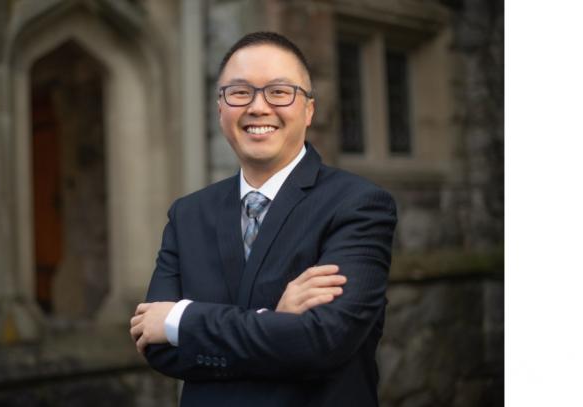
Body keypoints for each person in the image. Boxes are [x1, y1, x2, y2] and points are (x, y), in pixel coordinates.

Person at [129, 31, 397, 406]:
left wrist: (182, 322)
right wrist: (276, 320)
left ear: (308, 110)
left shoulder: (358, 205)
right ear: (220, 108)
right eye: (239, 92)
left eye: (279, 92)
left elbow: (323, 341)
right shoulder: (188, 214)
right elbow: (155, 345)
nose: (258, 107)